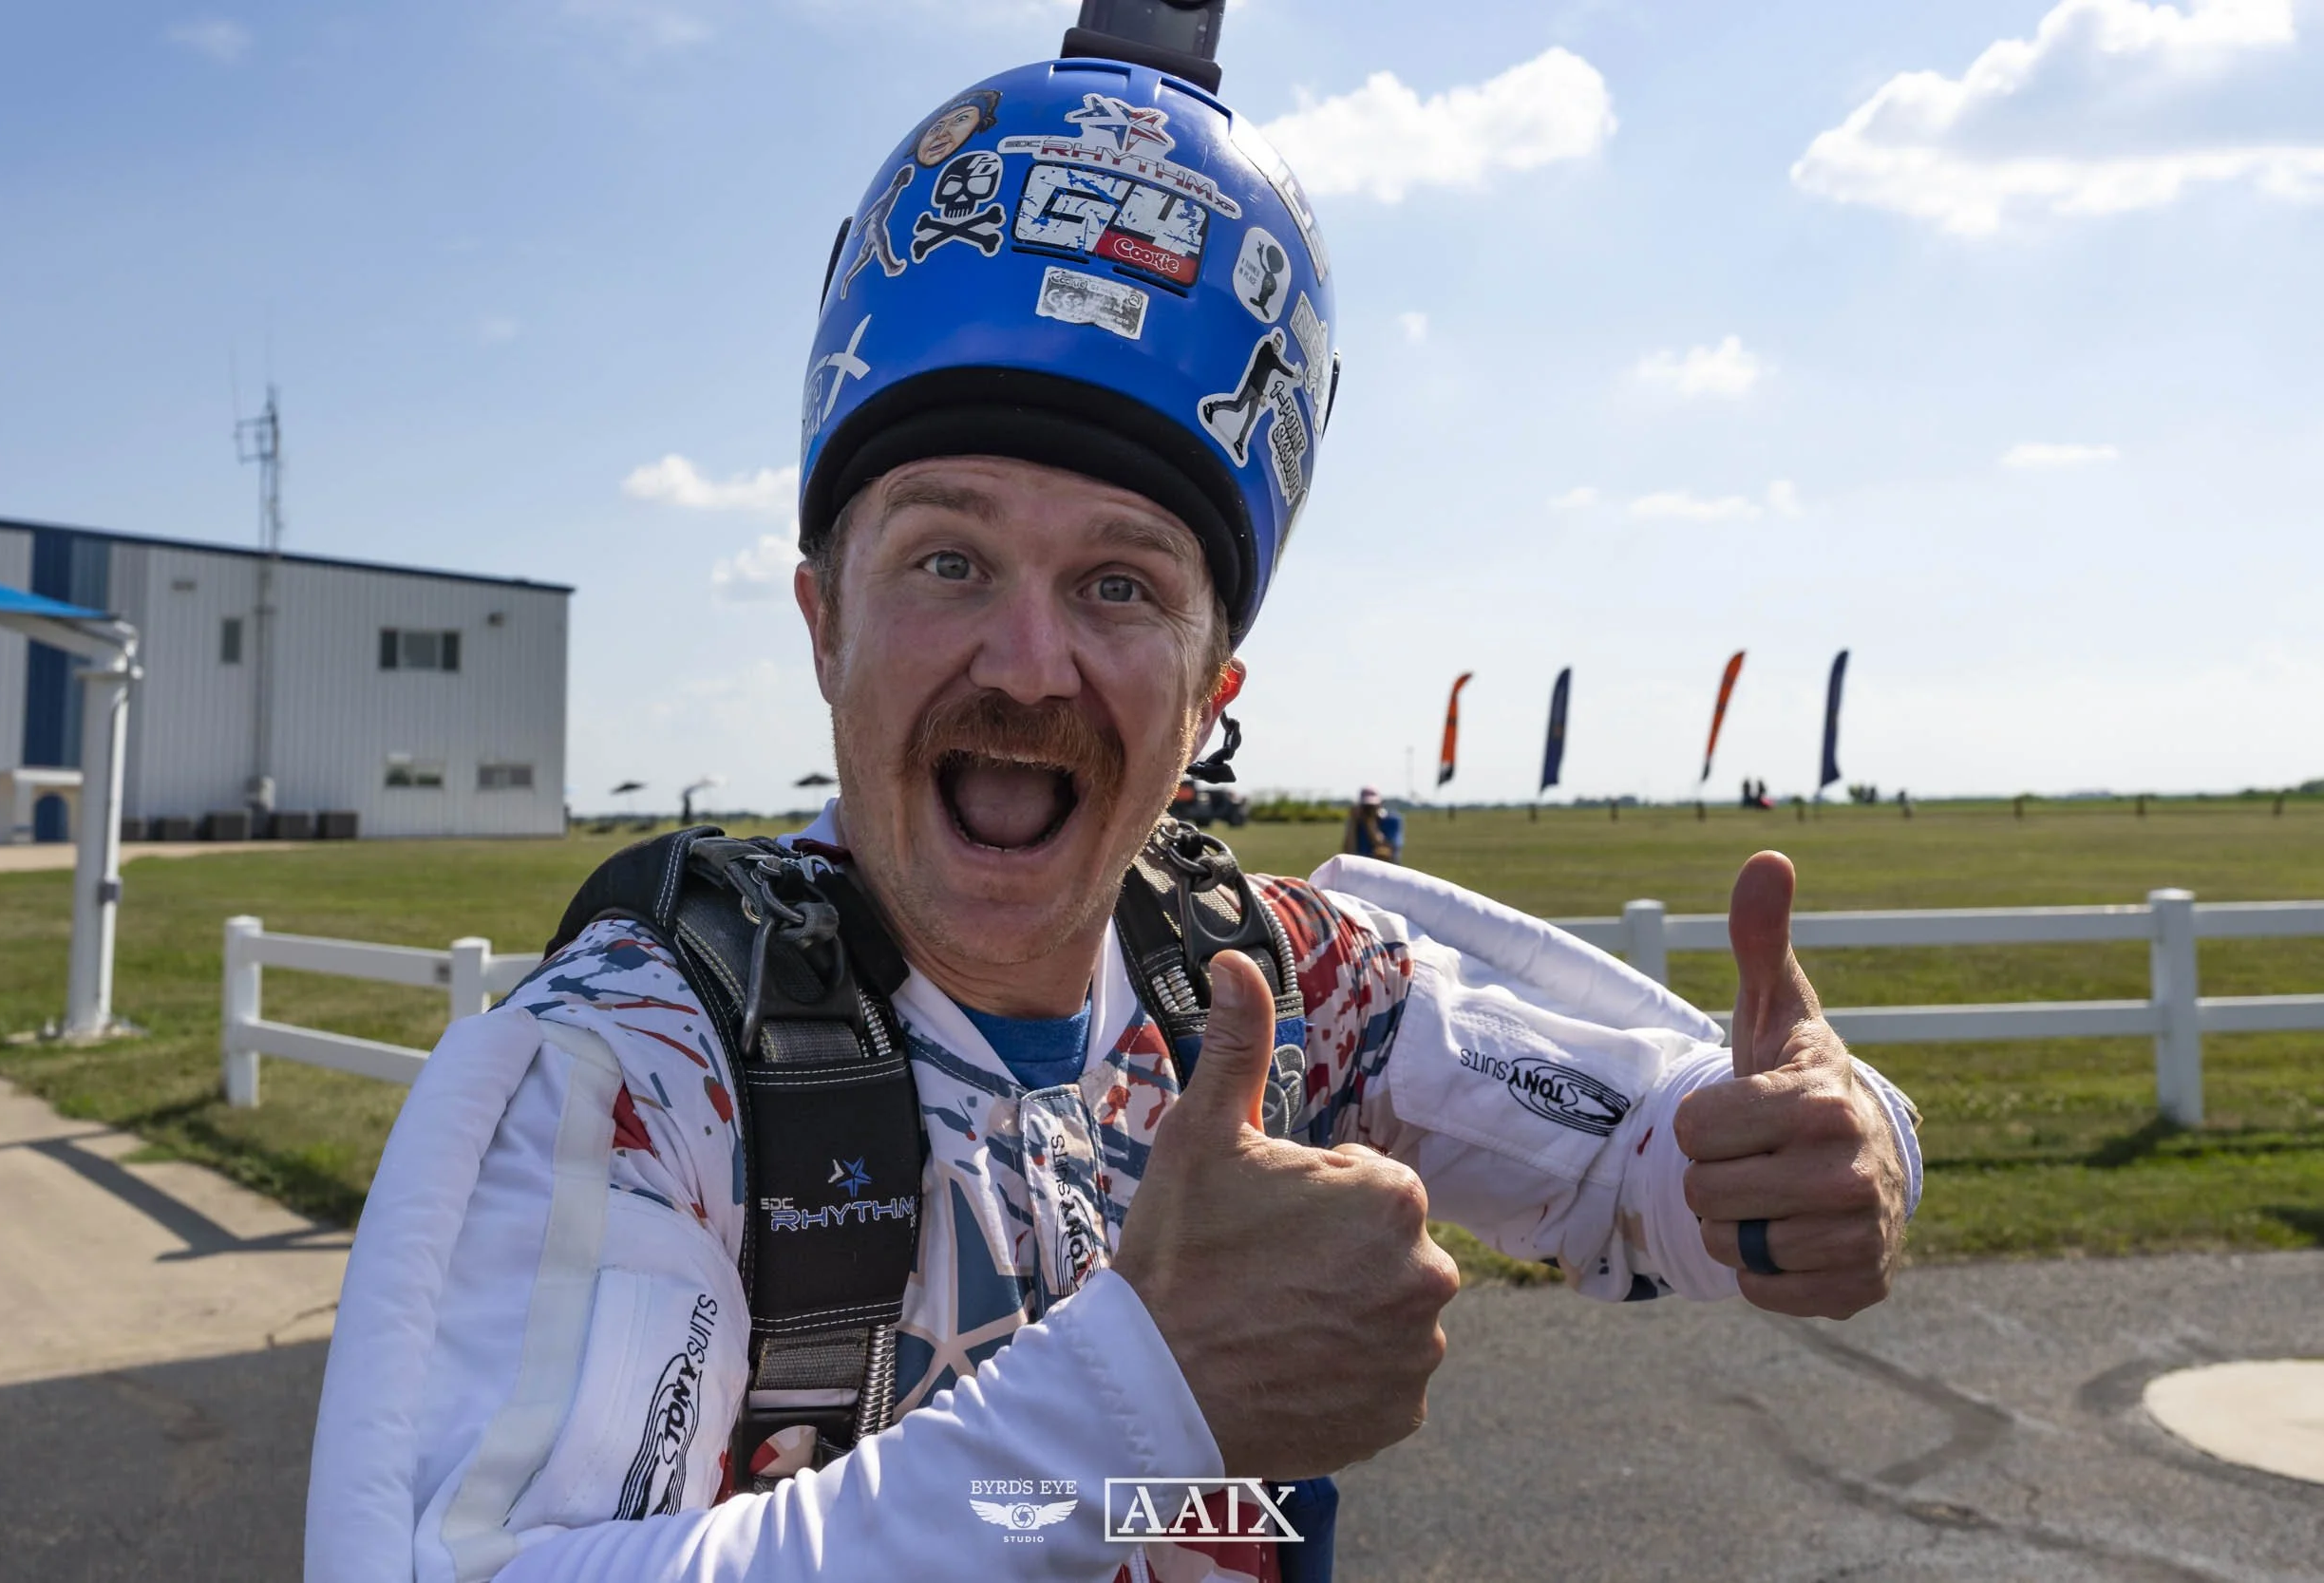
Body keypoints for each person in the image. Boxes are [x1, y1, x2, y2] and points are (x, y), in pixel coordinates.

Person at [307, 50, 1921, 1583]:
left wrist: (1823, 1163)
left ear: (1211, 691)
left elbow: (1650, 1168)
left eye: (1120, 584)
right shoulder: (643, 1071)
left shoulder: (1276, 982)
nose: (1028, 661)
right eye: (948, 558)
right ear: (822, 625)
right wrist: (1138, 1397)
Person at [1343, 785, 1403, 862]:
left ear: (1380, 803)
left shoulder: (1392, 820)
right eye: (1366, 806)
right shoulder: (1355, 822)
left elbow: (1385, 851)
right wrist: (1353, 822)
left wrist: (1370, 823)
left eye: (1372, 806)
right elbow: (1348, 853)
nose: (1369, 809)